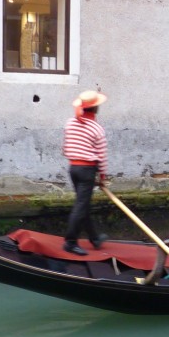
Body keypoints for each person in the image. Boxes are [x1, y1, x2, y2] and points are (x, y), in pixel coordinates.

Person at [62, 89, 109, 256]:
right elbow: (102, 156)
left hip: (73, 168)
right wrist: (102, 176)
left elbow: (66, 147)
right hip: (87, 170)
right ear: (95, 108)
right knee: (81, 205)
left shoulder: (69, 123)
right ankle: (70, 242)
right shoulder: (97, 129)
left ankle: (94, 238)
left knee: (83, 204)